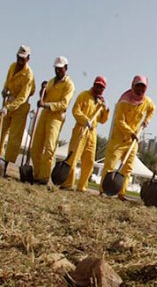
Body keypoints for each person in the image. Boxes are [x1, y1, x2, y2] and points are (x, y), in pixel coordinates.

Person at [101, 75, 155, 199]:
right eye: (138, 86)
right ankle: (103, 190)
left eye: (143, 87)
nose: (140, 90)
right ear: (133, 86)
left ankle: (122, 193)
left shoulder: (147, 101)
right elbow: (119, 121)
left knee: (128, 168)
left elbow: (152, 109)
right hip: (119, 138)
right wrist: (131, 133)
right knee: (110, 165)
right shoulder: (124, 101)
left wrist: (147, 120)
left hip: (133, 141)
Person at [60, 76, 110, 191]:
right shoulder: (84, 95)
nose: (99, 89)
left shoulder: (101, 102)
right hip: (81, 129)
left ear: (104, 89)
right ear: (93, 84)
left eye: (101, 87)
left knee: (89, 161)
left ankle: (82, 186)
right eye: (97, 86)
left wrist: (106, 110)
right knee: (73, 157)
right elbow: (75, 110)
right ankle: (67, 184)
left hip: (92, 133)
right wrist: (84, 120)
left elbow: (102, 120)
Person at [31, 56, 75, 185]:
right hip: (44, 115)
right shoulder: (50, 82)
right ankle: (37, 174)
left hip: (56, 117)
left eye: (60, 69)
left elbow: (64, 104)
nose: (58, 71)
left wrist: (46, 105)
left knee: (49, 147)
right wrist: (42, 89)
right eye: (56, 69)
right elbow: (43, 96)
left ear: (66, 68)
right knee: (36, 146)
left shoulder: (69, 85)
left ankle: (44, 177)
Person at [1, 45, 35, 173]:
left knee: (14, 138)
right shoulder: (12, 66)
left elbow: (22, 97)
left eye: (23, 59)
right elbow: (8, 80)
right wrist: (5, 89)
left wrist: (8, 107)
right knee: (1, 131)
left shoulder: (28, 75)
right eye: (18, 58)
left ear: (28, 59)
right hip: (9, 101)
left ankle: (4, 165)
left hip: (20, 107)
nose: (20, 61)